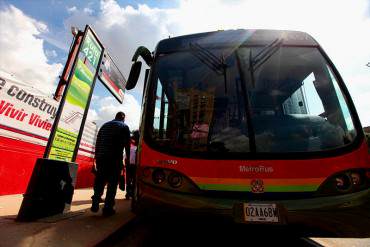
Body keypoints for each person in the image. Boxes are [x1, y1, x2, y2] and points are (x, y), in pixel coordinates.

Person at [91, 112, 130, 216]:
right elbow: (127, 145)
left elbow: (98, 143)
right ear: (123, 118)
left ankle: (96, 199)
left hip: (101, 157)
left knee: (100, 179)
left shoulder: (104, 125)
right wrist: (128, 159)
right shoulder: (124, 126)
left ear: (115, 117)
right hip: (114, 159)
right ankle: (108, 208)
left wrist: (96, 157)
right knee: (112, 183)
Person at [125, 130, 139, 199]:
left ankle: (129, 193)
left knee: (130, 180)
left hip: (130, 164)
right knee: (132, 180)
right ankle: (130, 193)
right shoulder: (136, 146)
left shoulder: (130, 145)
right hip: (133, 165)